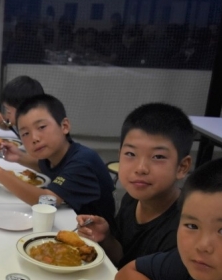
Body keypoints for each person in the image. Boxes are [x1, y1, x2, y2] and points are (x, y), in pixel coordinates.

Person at [76, 103, 193, 268]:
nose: (141, 168)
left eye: (158, 157)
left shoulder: (184, 228)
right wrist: (106, 238)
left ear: (182, 167)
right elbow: (122, 258)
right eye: (130, 154)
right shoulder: (132, 198)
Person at [0, 94, 116, 229]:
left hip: (98, 239)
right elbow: (45, 167)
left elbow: (46, 201)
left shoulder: (82, 161)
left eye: (41, 127)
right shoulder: (56, 155)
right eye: (25, 133)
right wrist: (19, 157)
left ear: (64, 126)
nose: (34, 138)